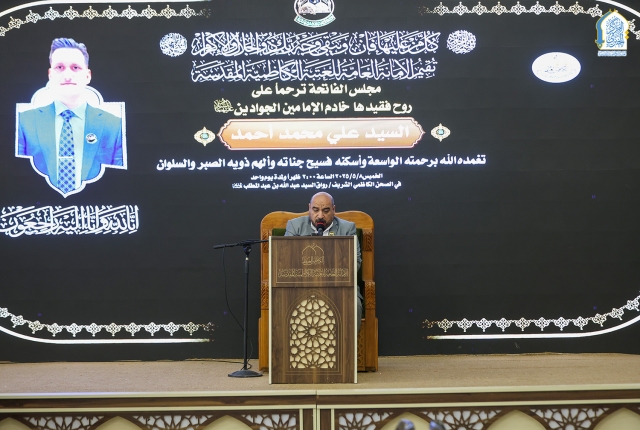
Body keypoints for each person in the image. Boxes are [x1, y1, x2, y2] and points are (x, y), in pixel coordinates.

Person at [16, 38, 123, 196]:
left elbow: (120, 183)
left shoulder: (114, 125)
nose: (67, 75)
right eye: (59, 67)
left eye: (75, 68)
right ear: (50, 74)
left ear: (87, 76)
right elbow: (16, 179)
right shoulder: (23, 122)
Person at [285, 192, 363, 328]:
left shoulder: (347, 229)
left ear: (334, 210)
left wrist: (330, 276)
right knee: (282, 299)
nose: (320, 216)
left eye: (326, 211)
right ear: (309, 208)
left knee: (354, 303)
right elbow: (286, 259)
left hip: (339, 284)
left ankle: (348, 342)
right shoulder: (295, 226)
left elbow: (355, 262)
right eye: (315, 210)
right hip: (302, 284)